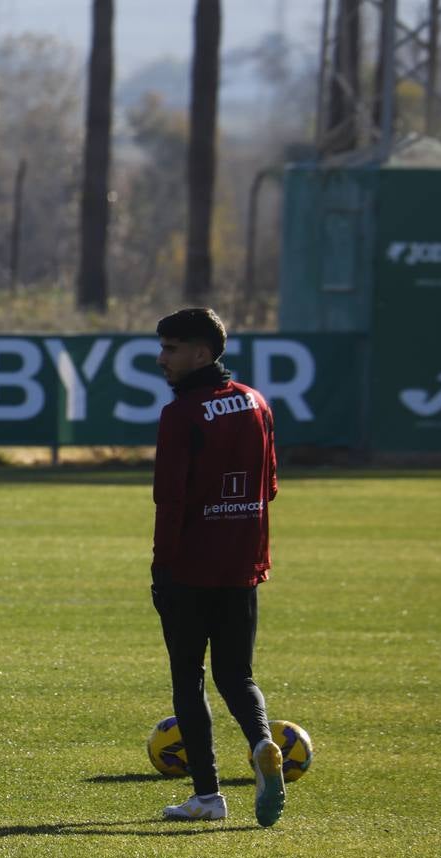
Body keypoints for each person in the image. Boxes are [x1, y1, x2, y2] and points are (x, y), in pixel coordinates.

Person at [151, 308, 286, 827]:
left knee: (189, 677)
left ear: (202, 354)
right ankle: (261, 743)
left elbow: (170, 500)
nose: (162, 358)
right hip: (243, 563)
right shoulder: (256, 402)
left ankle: (207, 796)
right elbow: (269, 485)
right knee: (238, 674)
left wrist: (162, 570)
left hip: (188, 566)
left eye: (171, 348)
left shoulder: (182, 414)